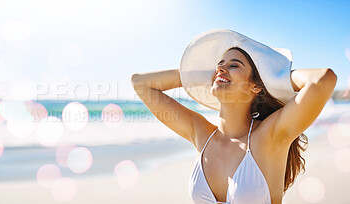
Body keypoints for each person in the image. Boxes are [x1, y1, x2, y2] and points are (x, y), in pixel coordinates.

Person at [131, 29, 337, 204]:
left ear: (256, 86)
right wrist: (207, 75)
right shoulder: (202, 134)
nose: (221, 67)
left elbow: (323, 79)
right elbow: (141, 83)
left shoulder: (270, 137)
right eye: (220, 64)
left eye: (234, 65)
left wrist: (274, 79)